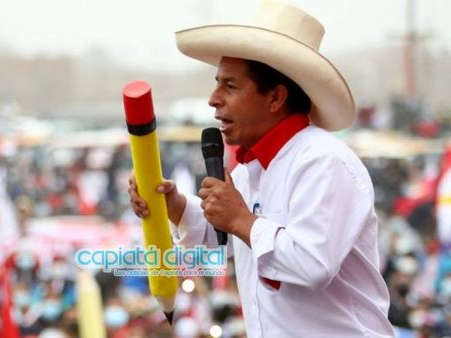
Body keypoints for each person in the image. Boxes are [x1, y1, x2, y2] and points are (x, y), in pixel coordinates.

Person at [128, 0, 395, 337]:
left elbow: (312, 263)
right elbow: (231, 239)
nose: (213, 98)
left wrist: (240, 218)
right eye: (217, 83)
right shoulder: (249, 170)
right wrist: (176, 206)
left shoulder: (322, 161)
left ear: (275, 98)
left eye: (230, 86)